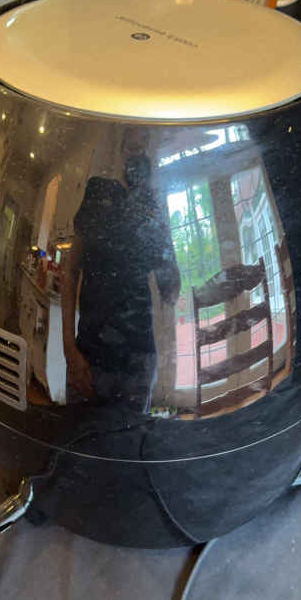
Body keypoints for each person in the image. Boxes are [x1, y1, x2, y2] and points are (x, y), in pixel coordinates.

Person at [62, 153, 180, 412]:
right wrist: (69, 348)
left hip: (138, 361)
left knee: (131, 435)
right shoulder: (97, 194)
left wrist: (163, 232)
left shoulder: (152, 213)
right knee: (79, 431)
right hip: (89, 355)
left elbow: (171, 293)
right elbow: (70, 271)